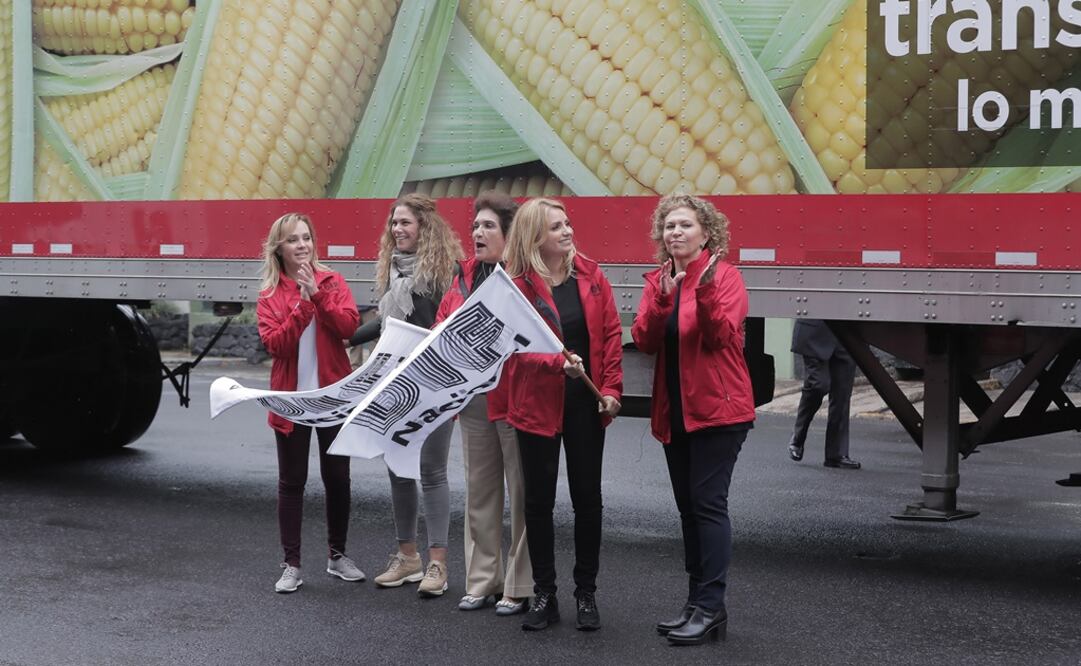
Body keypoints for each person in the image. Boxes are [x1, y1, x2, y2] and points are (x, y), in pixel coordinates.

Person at [631, 194, 756, 645]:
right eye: (668, 226)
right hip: (675, 414)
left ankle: (711, 606)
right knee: (689, 513)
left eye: (685, 225)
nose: (675, 233)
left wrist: (700, 288)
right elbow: (644, 340)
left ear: (706, 233)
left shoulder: (726, 277)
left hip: (719, 413)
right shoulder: (659, 281)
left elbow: (721, 335)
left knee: (707, 507)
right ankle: (695, 603)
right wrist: (663, 299)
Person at [503, 198, 623, 632]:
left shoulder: (591, 275)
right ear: (536, 237)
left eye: (568, 224)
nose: (568, 232)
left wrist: (610, 390)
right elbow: (513, 352)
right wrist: (557, 364)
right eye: (557, 227)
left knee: (587, 500)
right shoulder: (516, 287)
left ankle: (586, 593)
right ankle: (545, 594)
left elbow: (610, 336)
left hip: (584, 405)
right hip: (535, 405)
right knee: (538, 503)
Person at [350, 193, 464, 598]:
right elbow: (386, 324)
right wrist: (346, 335)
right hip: (395, 386)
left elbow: (448, 329)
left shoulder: (447, 274)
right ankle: (407, 557)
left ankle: (438, 565)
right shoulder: (393, 275)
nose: (397, 230)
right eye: (394, 224)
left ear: (424, 228)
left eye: (405, 223)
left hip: (434, 386)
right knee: (398, 469)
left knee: (432, 472)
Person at [434, 191, 532, 616]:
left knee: (523, 491)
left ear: (508, 235)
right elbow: (442, 324)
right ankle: (481, 580)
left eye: (488, 226)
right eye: (475, 226)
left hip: (514, 396)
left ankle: (518, 583)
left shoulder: (524, 276)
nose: (477, 232)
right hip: (472, 399)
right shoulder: (462, 276)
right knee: (480, 491)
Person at [256, 212, 365, 594]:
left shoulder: (332, 281)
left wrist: (317, 294)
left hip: (332, 396)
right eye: (293, 240)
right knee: (292, 482)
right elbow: (277, 345)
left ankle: (337, 556)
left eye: (306, 237)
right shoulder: (270, 296)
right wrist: (302, 305)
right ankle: (292, 564)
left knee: (337, 478)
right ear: (279, 249)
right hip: (292, 401)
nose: (302, 245)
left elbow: (350, 328)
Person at [786, 320, 860, 469]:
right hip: (815, 331)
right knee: (818, 385)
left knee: (842, 395)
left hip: (847, 334)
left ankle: (836, 454)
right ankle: (798, 437)